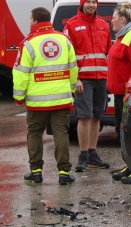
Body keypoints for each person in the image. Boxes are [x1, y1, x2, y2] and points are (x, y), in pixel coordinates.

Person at [13, 7, 78, 185]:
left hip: (37, 102)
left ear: (34, 20)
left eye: (30, 19)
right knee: (61, 134)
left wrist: (19, 96)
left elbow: (20, 73)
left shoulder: (28, 43)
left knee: (34, 133)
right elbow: (73, 67)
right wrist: (71, 89)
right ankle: (64, 172)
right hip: (61, 99)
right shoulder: (64, 40)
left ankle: (36, 172)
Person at [63, 0, 111, 172]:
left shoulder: (103, 25)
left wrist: (108, 77)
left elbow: (107, 52)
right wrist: (75, 79)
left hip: (101, 78)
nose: (91, 5)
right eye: (88, 2)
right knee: (84, 117)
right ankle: (83, 154)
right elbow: (67, 56)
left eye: (94, 2)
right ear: (82, 4)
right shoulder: (72, 25)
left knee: (97, 116)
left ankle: (92, 153)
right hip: (83, 79)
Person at [107, 2, 131, 185]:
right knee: (122, 130)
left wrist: (130, 91)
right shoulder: (124, 35)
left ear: (123, 19)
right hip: (119, 93)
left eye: (114, 19)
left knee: (129, 130)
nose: (111, 22)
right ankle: (128, 164)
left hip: (127, 94)